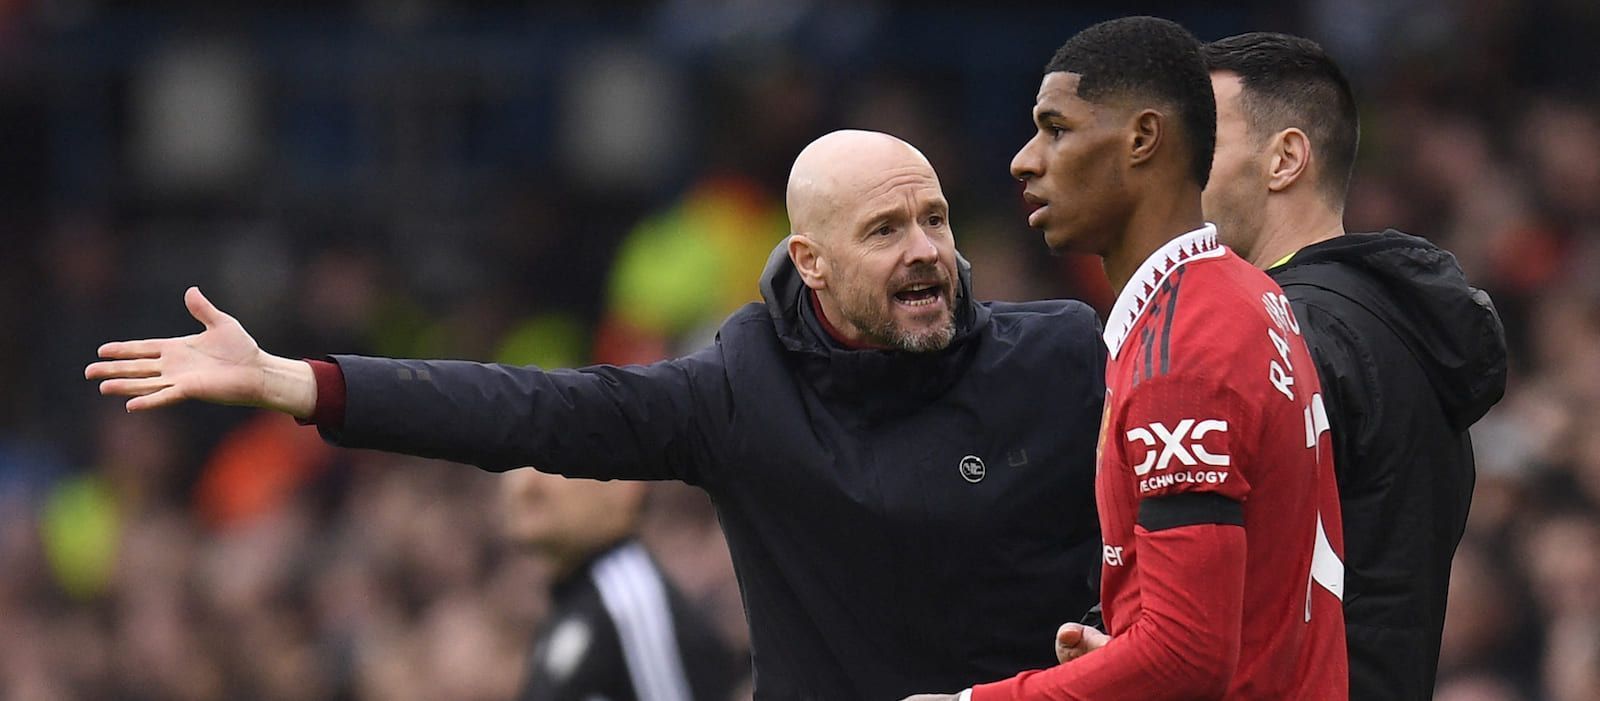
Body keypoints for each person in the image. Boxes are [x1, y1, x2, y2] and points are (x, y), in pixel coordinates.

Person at [86, 129, 1109, 700]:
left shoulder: (1062, 353)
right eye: (885, 228)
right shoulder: (743, 389)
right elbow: (533, 410)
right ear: (812, 262)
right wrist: (296, 382)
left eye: (933, 217)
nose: (926, 248)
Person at [907, 16, 1348, 701]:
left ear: (1142, 139)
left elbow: (1188, 655)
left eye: (1057, 128)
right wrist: (1123, 650)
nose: (1026, 158)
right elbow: (1238, 612)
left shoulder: (1183, 354)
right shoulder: (1243, 291)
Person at [1199, 32, 1509, 700]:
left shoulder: (1286, 334)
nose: (1175, 169)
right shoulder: (1398, 330)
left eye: (1203, 143)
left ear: (1285, 159)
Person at [499, 468, 741, 700]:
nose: (525, 485)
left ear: (627, 482)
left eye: (551, 461)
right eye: (516, 464)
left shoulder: (631, 608)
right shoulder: (577, 608)